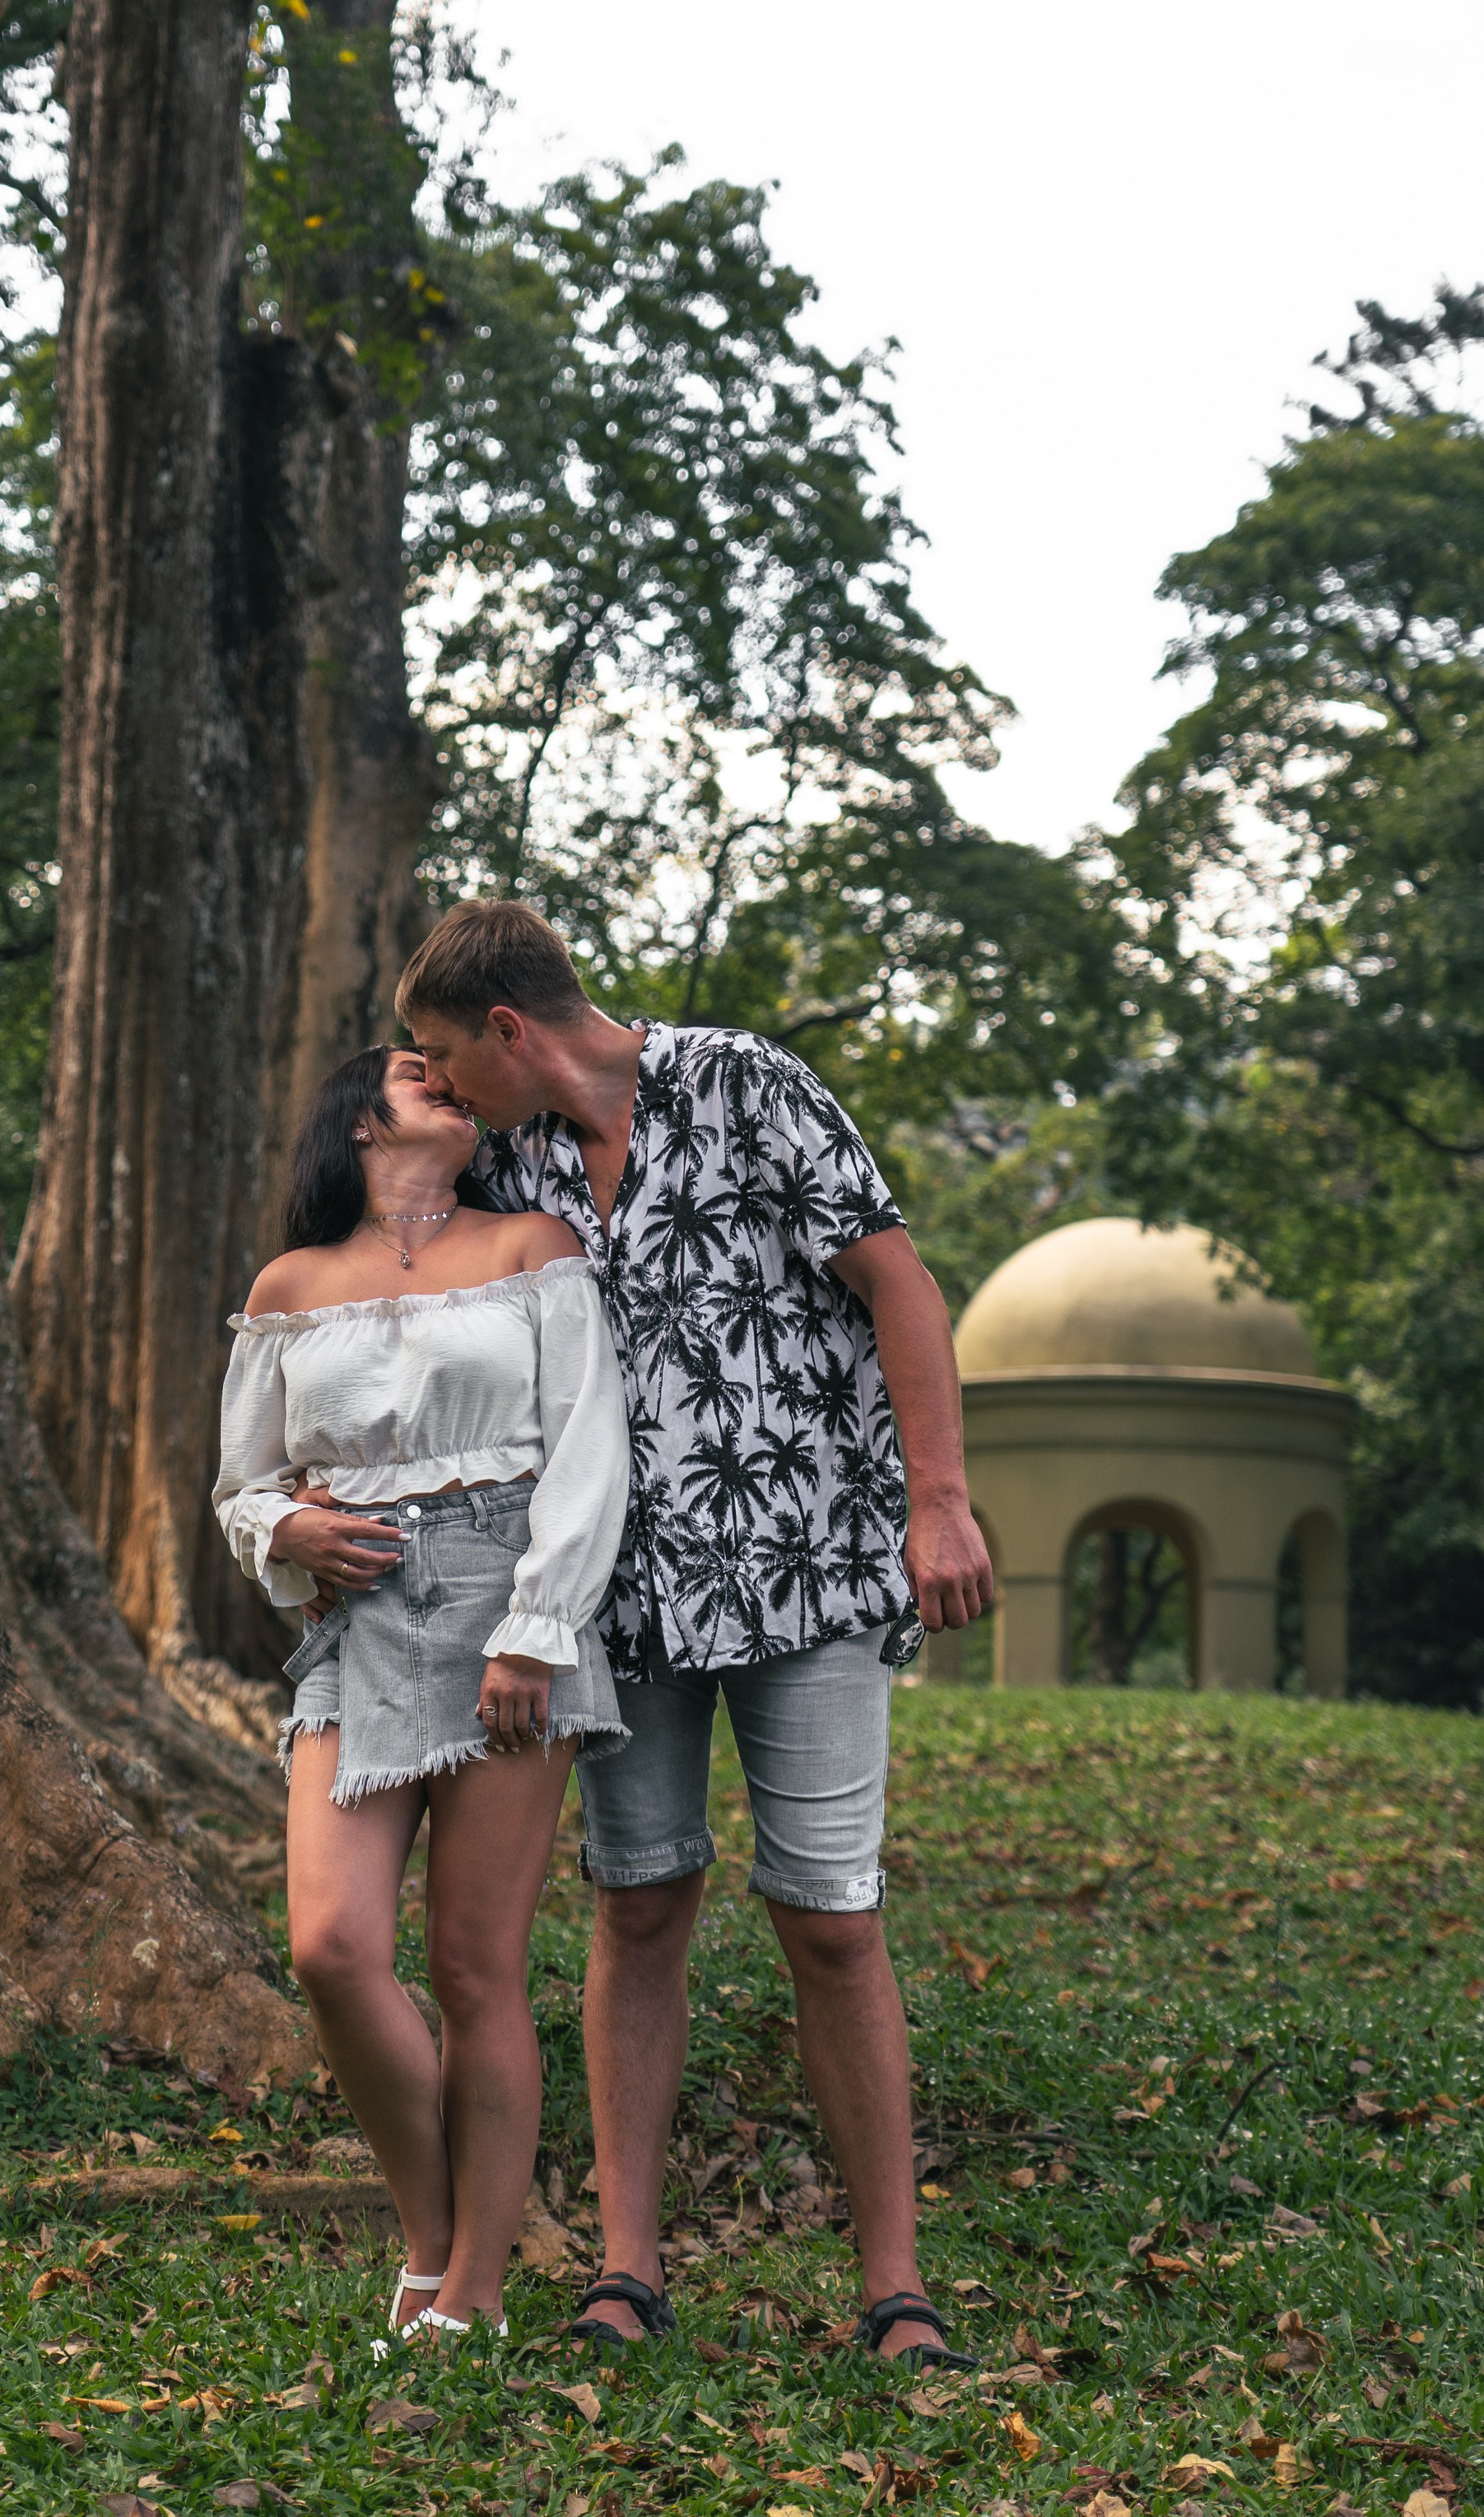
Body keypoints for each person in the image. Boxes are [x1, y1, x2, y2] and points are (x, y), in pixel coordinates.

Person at [397, 900, 993, 2371]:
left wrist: (942, 1503)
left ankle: (897, 2287)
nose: (443, 1082)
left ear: (512, 1033)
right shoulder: (507, 1153)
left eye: (445, 1056)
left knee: (830, 1919)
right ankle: (627, 2269)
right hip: (620, 1598)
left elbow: (897, 1282)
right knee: (640, 1903)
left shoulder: (751, 1086)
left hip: (811, 1570)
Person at [214, 1041, 631, 2344]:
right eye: (413, 1068)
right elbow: (242, 1479)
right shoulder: (293, 1285)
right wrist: (286, 1533)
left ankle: (474, 2291)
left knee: (473, 1965)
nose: (445, 1077)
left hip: (508, 1600)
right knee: (332, 1948)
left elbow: (587, 1447)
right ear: (355, 1121)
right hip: (362, 1622)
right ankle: (430, 2234)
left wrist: (536, 1628)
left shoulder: (533, 1248)